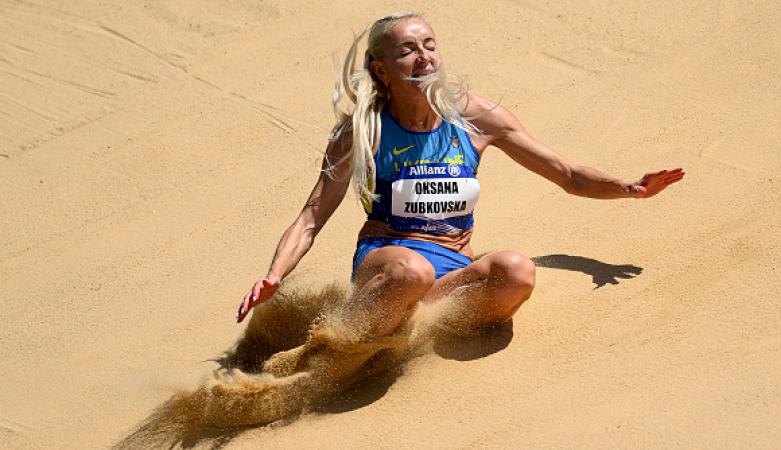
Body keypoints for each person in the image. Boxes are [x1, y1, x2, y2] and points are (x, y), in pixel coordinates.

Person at [235, 12, 684, 338]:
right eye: (407, 50)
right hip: (389, 262)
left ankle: (415, 333)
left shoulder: (474, 118)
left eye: (430, 45)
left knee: (517, 272)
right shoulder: (364, 132)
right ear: (381, 71)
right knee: (412, 273)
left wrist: (629, 188)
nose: (425, 57)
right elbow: (312, 215)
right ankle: (335, 342)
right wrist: (275, 275)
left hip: (453, 268)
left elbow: (566, 174)